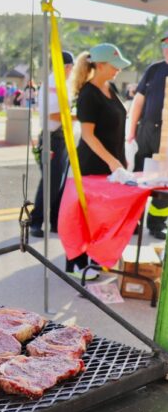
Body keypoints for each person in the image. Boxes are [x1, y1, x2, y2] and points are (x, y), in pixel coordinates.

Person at [67, 43, 131, 276]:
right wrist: (112, 160)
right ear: (100, 65)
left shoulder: (110, 87)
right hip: (92, 165)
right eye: (114, 66)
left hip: (112, 164)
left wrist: (120, 160)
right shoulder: (88, 94)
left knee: (102, 216)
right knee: (86, 215)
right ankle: (76, 263)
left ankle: (95, 257)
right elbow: (88, 135)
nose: (117, 70)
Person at [126, 30, 168, 239]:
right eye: (165, 45)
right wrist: (132, 130)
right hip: (147, 131)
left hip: (167, 136)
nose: (167, 49)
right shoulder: (154, 70)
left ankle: (157, 223)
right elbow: (139, 101)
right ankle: (134, 221)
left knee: (164, 182)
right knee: (140, 177)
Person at [30, 51, 74, 238]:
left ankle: (55, 222)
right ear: (66, 67)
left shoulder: (58, 83)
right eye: (71, 67)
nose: (72, 71)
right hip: (52, 138)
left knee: (60, 183)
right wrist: (80, 117)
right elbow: (54, 115)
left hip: (59, 138)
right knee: (51, 182)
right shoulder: (54, 83)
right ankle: (35, 221)